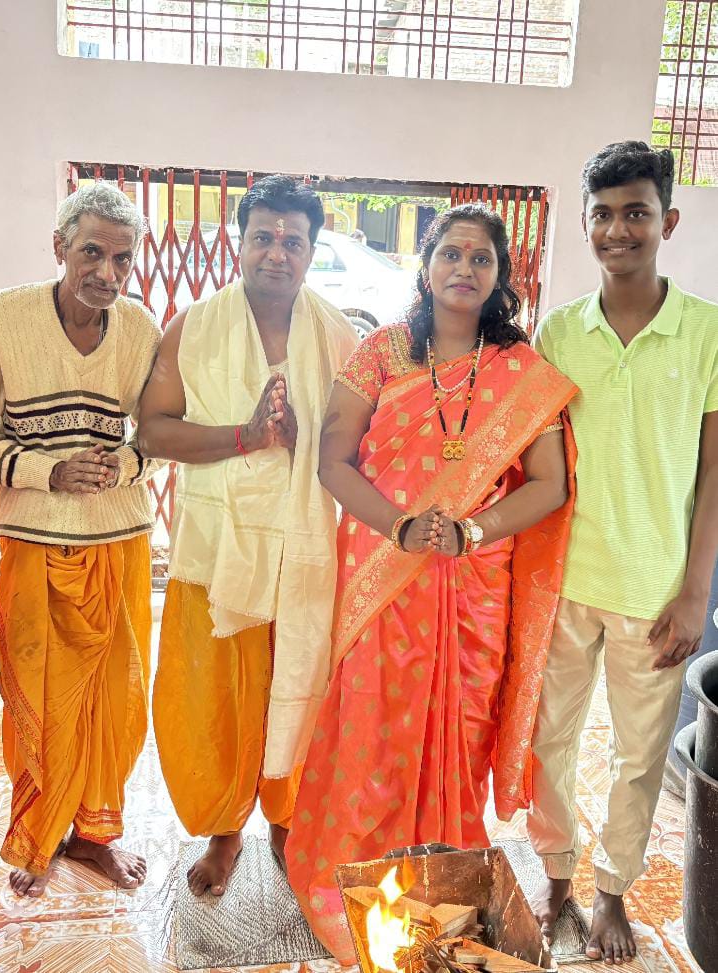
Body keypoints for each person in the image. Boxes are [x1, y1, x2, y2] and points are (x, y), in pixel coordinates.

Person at [286, 204, 577, 964]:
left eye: (480, 258)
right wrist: (399, 526)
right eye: (449, 253)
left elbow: (550, 484)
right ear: (425, 265)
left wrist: (474, 529)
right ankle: (360, 868)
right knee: (371, 721)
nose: (463, 269)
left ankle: (441, 865)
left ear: (498, 275)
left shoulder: (522, 370)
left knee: (461, 729)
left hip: (475, 585)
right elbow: (332, 458)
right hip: (387, 575)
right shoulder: (381, 353)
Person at [138, 175, 359, 897]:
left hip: (302, 551)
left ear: (311, 250)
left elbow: (358, 450)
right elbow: (153, 429)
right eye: (261, 237)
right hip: (217, 548)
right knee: (219, 699)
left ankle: (288, 822)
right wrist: (244, 434)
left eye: (292, 241)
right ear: (238, 243)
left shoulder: (338, 337)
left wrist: (303, 438)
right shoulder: (192, 327)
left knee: (297, 688)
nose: (276, 253)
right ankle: (226, 829)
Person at [527, 141, 718, 966]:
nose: (617, 229)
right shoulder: (557, 332)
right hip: (561, 580)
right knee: (547, 742)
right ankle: (555, 878)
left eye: (634, 212)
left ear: (665, 220)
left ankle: (610, 890)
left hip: (655, 586)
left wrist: (693, 592)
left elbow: (714, 469)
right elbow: (528, 459)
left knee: (638, 758)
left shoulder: (707, 331)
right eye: (601, 215)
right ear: (584, 224)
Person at [0, 183, 161, 897]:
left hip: (120, 538)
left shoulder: (140, 328)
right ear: (59, 248)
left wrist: (125, 463)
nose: (106, 273)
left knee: (115, 699)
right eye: (91, 253)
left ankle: (96, 838)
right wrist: (49, 470)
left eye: (122, 259)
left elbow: (156, 431)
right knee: (38, 700)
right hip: (34, 540)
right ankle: (40, 838)